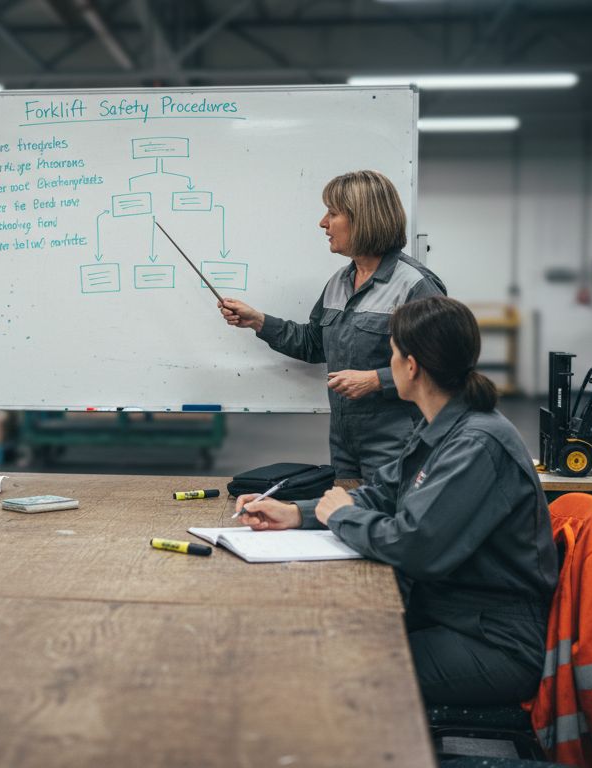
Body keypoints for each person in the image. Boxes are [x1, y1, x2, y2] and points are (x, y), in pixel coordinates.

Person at [235, 296, 558, 706]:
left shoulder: (476, 443)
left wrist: (343, 518)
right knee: (316, 642)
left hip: (494, 643)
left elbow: (415, 546)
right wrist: (297, 513)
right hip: (448, 615)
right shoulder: (440, 425)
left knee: (334, 671)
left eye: (390, 353)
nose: (388, 364)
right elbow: (383, 493)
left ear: (411, 366)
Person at [220, 170, 445, 481]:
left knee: (390, 522)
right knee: (348, 519)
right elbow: (314, 343)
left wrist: (375, 380)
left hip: (399, 442)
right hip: (344, 440)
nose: (323, 223)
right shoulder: (340, 281)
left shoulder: (415, 285)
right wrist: (258, 321)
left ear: (364, 218)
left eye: (333, 213)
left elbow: (443, 365)